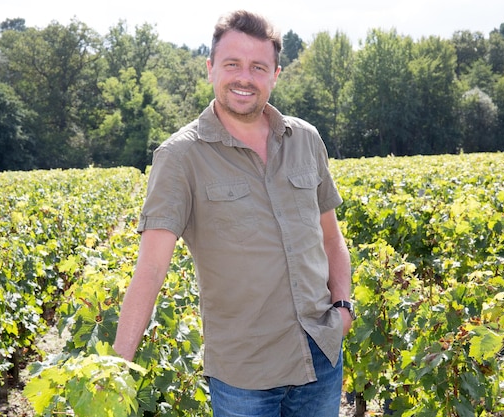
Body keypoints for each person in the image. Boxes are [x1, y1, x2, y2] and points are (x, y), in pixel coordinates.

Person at [113, 9, 353, 417]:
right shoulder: (179, 157)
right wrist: (115, 369)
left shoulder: (306, 139)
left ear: (276, 74)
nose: (245, 77)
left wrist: (343, 308)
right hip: (245, 375)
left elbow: (330, 236)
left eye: (258, 67)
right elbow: (151, 269)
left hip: (322, 357)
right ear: (210, 69)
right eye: (232, 64)